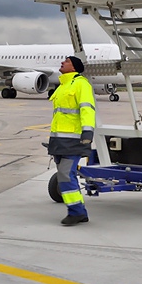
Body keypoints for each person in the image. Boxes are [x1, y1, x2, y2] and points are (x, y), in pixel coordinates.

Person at [48, 55, 95, 226]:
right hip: (59, 141)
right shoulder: (62, 86)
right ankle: (80, 212)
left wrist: (88, 133)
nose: (62, 62)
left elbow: (87, 110)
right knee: (64, 176)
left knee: (66, 176)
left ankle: (75, 212)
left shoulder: (81, 84)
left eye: (66, 61)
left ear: (74, 67)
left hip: (74, 141)